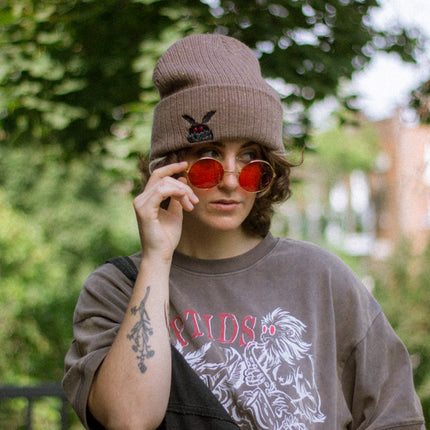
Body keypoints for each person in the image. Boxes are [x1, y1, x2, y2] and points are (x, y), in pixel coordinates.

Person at [63, 34, 425, 430]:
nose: (232, 181)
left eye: (251, 159)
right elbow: (129, 419)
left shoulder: (322, 278)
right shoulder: (116, 289)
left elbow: (397, 418)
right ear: (170, 166)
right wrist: (156, 259)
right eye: (209, 157)